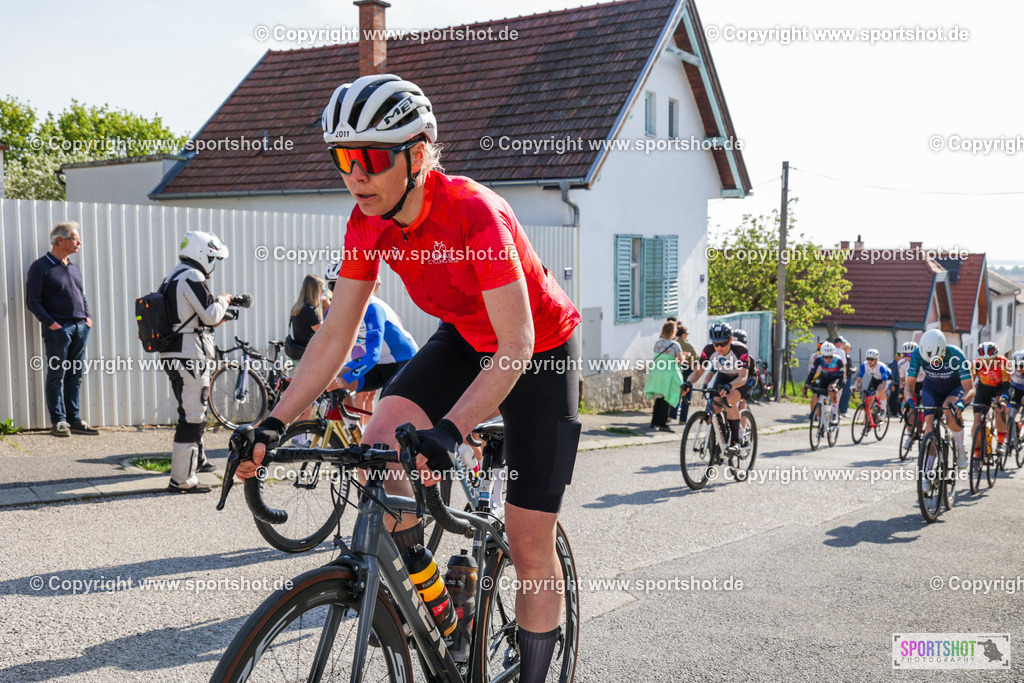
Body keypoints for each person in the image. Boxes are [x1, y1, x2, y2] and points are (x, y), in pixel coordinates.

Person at [236, 74, 581, 682]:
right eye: (343, 157)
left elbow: (517, 343)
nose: (354, 175)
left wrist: (452, 429)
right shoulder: (367, 220)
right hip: (467, 337)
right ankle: (432, 596)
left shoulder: (476, 214)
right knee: (381, 438)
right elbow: (334, 335)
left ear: (417, 154)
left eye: (369, 158)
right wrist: (273, 420)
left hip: (537, 351)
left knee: (530, 545)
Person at [159, 231, 232, 493]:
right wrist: (224, 299)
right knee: (193, 417)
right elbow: (211, 315)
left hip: (175, 354)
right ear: (204, 254)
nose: (213, 263)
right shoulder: (192, 276)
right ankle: (182, 480)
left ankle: (191, 467)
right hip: (190, 356)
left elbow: (188, 316)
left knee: (187, 412)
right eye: (213, 257)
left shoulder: (173, 276)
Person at [25, 222, 99, 437]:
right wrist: (53, 324)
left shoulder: (74, 267)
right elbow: (33, 301)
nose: (79, 243)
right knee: (56, 374)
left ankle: (74, 419)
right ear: (60, 240)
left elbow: (81, 294)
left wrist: (88, 318)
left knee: (75, 375)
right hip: (59, 330)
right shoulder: (40, 267)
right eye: (75, 239)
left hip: (80, 327)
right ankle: (59, 421)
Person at [323, 262, 419, 422]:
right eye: (332, 286)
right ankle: (354, 434)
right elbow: (322, 348)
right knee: (334, 384)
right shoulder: (333, 310)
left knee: (384, 415)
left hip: (402, 363)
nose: (337, 292)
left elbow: (373, 355)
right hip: (377, 364)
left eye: (340, 285)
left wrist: (343, 380)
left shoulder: (373, 308)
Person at [903, 329, 974, 468]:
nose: (934, 364)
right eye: (930, 361)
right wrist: (909, 401)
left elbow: (970, 389)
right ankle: (928, 470)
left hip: (954, 388)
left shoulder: (956, 354)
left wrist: (961, 403)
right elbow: (909, 386)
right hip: (932, 388)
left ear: (944, 350)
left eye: (937, 360)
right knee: (929, 425)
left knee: (949, 410)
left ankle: (960, 448)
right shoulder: (917, 354)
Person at [683, 322, 751, 453]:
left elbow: (743, 377)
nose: (719, 347)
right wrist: (688, 383)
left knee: (730, 400)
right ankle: (721, 436)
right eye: (716, 344)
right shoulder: (708, 350)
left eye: (723, 344)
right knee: (715, 405)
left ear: (730, 340)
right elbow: (698, 372)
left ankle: (736, 441)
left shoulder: (740, 350)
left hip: (742, 378)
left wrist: (729, 386)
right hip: (725, 375)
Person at [971, 342, 1011, 455]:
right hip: (984, 389)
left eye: (990, 359)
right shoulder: (978, 363)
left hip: (999, 388)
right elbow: (969, 382)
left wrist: (1004, 399)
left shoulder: (1003, 362)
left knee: (998, 408)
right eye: (985, 360)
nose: (987, 362)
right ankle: (977, 453)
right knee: (977, 420)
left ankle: (1001, 442)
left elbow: (1007, 384)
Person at [645, 321, 684, 432]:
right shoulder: (675, 345)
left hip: (657, 372)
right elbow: (680, 361)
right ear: (673, 331)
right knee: (667, 397)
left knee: (659, 397)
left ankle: (654, 422)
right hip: (668, 374)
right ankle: (662, 424)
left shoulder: (657, 343)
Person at [288, 274, 330, 357]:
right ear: (316, 291)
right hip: (309, 356)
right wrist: (327, 309)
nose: (323, 292)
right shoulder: (309, 310)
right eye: (323, 289)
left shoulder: (299, 307)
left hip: (299, 352)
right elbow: (325, 332)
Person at [803, 341, 845, 425]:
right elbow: (812, 373)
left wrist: (837, 387)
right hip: (824, 378)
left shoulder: (838, 360)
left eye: (830, 357)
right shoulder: (818, 359)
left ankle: (834, 415)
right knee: (820, 399)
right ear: (822, 355)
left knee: (831, 389)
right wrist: (807, 384)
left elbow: (841, 377)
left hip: (835, 378)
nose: (828, 359)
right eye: (826, 357)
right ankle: (820, 422)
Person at [854, 349, 892, 424]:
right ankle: (868, 419)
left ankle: (883, 410)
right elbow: (859, 379)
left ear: (877, 360)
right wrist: (855, 387)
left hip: (886, 380)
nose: (869, 361)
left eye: (872, 359)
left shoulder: (881, 367)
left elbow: (884, 383)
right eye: (868, 359)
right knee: (869, 397)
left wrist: (877, 392)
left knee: (880, 390)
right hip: (875, 379)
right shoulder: (864, 365)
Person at [674, 323, 697, 424]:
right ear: (683, 334)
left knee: (675, 393)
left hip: (675, 370)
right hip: (687, 370)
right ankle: (683, 419)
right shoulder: (687, 345)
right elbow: (697, 358)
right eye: (687, 334)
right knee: (686, 395)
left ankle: (670, 416)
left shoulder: (673, 343)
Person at [834, 336, 854, 417]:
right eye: (843, 343)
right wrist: (844, 377)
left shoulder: (830, 350)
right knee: (838, 394)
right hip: (839, 375)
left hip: (829, 374)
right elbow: (844, 366)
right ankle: (836, 413)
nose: (843, 345)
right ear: (839, 343)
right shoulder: (841, 352)